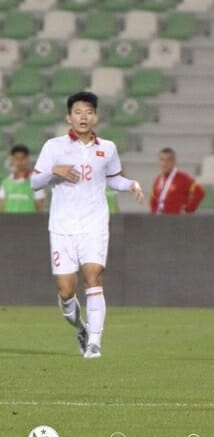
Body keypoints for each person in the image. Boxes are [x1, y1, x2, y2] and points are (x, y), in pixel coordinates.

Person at [31, 91, 144, 359]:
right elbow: (35, 182)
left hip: (94, 224)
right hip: (62, 227)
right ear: (68, 116)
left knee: (94, 277)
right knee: (66, 291)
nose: (84, 117)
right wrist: (54, 171)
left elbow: (114, 179)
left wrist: (131, 184)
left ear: (96, 116)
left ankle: (94, 342)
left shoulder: (108, 148)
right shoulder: (54, 147)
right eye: (78, 112)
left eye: (89, 112)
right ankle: (80, 327)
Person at [149, 147, 205, 215]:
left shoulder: (184, 178)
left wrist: (188, 209)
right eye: (162, 160)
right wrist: (154, 214)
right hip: (161, 221)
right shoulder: (158, 180)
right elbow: (153, 200)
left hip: (177, 221)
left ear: (174, 161)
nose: (164, 164)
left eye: (168, 160)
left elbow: (200, 192)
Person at [0, 144, 47, 213]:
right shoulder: (5, 183)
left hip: (29, 223)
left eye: (22, 158)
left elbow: (40, 209)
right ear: (12, 160)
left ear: (28, 159)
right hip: (9, 223)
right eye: (16, 158)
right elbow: (1, 207)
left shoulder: (36, 182)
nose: (19, 162)